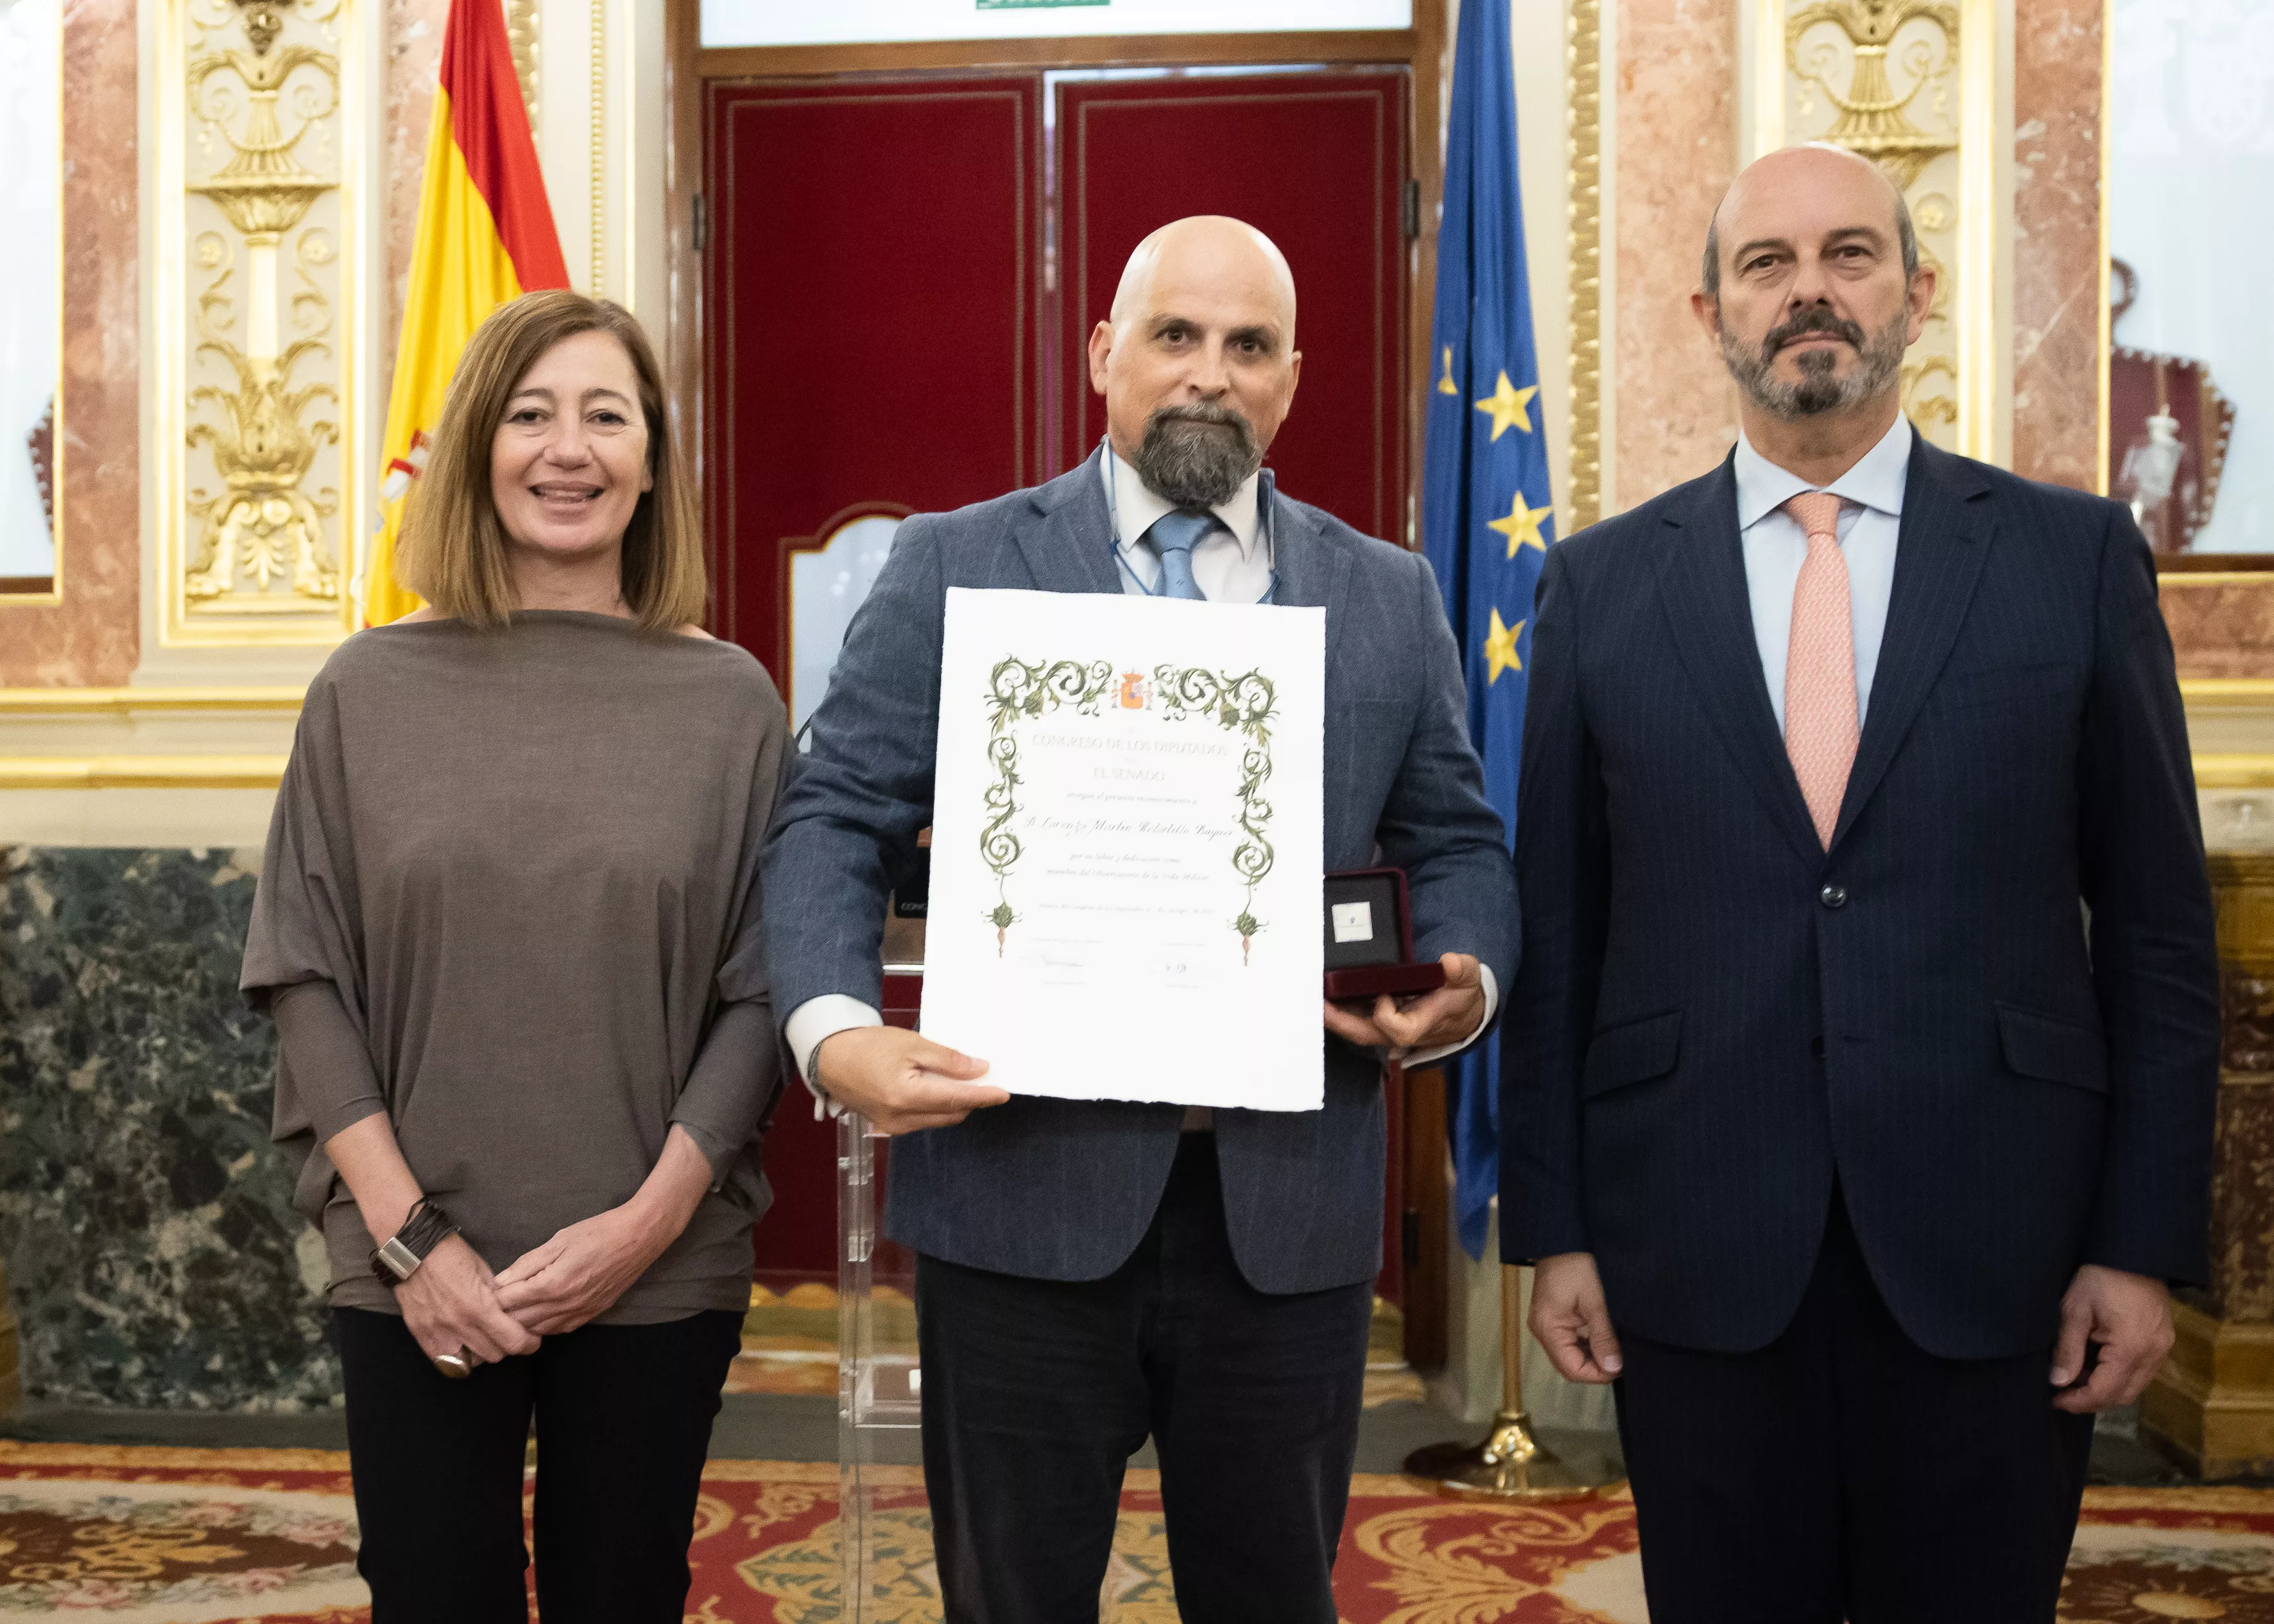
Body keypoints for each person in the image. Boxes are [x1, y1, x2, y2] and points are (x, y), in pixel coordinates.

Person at [762, 216, 1517, 1621]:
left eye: (1248, 345)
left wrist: (1464, 981)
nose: (1208, 374)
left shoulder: (1385, 593)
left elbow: (1457, 841)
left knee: (1272, 1597)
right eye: (1176, 335)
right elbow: (834, 816)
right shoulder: (952, 563)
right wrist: (833, 1029)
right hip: (1015, 1205)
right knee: (1013, 1599)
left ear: (1292, 378)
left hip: (1283, 1215)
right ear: (1107, 352)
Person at [1503, 142, 2219, 1621]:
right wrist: (1552, 1225)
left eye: (1849, 253)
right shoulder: (1599, 584)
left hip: (1999, 1247)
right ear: (1708, 309)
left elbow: (2158, 935)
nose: (1807, 290)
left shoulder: (2071, 558)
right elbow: (1559, 933)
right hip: (1693, 1242)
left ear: (1917, 292)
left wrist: (2139, 1243)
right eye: (1765, 263)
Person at [240, 290, 789, 1624]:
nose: (569, 449)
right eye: (532, 414)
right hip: (415, 1261)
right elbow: (304, 972)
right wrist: (413, 1239)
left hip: (656, 1266)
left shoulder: (731, 702)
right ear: (478, 445)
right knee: (434, 1593)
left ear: (651, 459)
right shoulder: (363, 689)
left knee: (623, 1593)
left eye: (608, 416)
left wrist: (641, 1229)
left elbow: (760, 994)